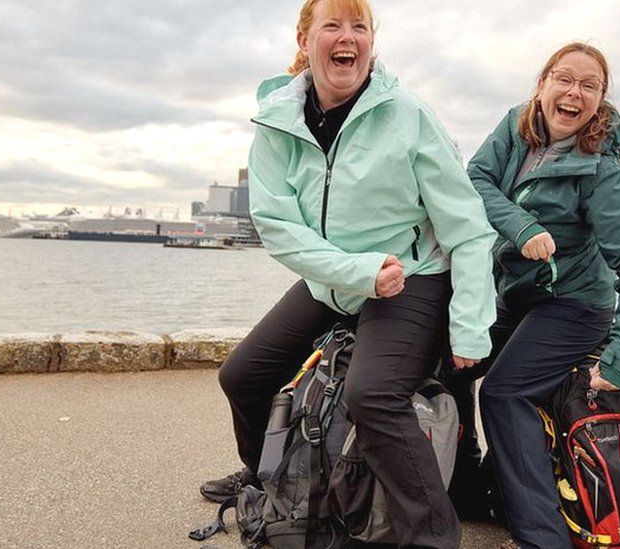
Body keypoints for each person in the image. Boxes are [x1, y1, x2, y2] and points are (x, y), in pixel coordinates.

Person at [199, 1, 497, 547]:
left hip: (413, 275)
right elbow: (278, 226)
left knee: (373, 396)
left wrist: (471, 322)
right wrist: (355, 270)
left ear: (371, 43)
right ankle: (274, 480)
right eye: (333, 25)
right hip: (339, 277)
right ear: (304, 39)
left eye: (360, 27)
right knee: (242, 376)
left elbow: (469, 227)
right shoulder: (276, 122)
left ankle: (433, 534)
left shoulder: (409, 115)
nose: (348, 37)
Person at [463, 42, 620, 549]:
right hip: (516, 295)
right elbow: (476, 179)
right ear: (543, 83)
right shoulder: (516, 126)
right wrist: (520, 225)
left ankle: (542, 536)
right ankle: (468, 488)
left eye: (588, 85)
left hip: (575, 305)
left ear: (599, 100)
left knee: (504, 392)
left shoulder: (603, 172)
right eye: (564, 79)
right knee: (450, 362)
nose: (573, 92)